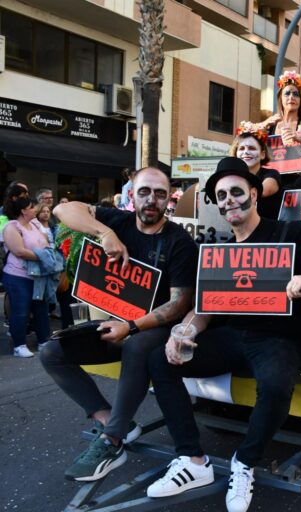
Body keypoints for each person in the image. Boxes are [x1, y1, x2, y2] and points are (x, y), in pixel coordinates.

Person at [145, 157, 301, 512]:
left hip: (277, 339)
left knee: (274, 385)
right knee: (159, 360)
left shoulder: (287, 232)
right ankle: (192, 460)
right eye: (221, 195)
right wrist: (184, 330)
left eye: (236, 191)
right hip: (233, 336)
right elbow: (206, 307)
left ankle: (244, 463)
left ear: (254, 194)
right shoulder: (221, 251)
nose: (229, 200)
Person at [40, 167, 198, 482]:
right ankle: (111, 419)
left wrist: (131, 326)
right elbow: (62, 210)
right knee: (50, 352)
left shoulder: (178, 241)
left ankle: (112, 440)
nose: (151, 200)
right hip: (115, 323)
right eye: (144, 192)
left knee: (137, 345)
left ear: (168, 199)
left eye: (160, 194)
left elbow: (180, 304)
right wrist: (105, 233)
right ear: (131, 195)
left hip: (152, 331)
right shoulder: (117, 221)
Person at [2, 196, 52, 358]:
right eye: (31, 207)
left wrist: (46, 254)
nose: (35, 210)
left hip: (38, 275)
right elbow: (19, 251)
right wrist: (43, 256)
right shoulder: (12, 227)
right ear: (23, 211)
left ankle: (43, 341)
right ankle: (19, 345)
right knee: (21, 310)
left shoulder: (35, 225)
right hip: (18, 275)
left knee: (41, 309)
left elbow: (46, 243)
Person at [230, 121, 282, 219]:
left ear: (262, 154)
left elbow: (263, 191)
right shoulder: (232, 176)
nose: (246, 152)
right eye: (241, 149)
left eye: (252, 148)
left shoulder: (272, 174)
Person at [258, 70, 301, 147]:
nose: (291, 97)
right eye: (287, 94)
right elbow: (245, 137)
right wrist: (264, 124)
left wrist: (300, 140)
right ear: (280, 99)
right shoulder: (271, 125)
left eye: (296, 94)